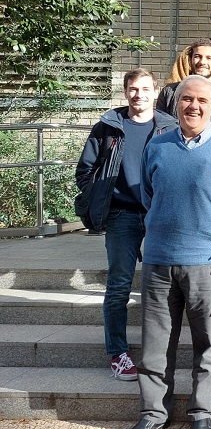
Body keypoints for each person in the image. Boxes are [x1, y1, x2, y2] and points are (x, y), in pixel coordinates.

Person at [118, 75, 211, 429]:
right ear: (176, 103)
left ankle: (202, 413)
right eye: (186, 99)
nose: (193, 106)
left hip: (208, 263)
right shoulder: (157, 146)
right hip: (159, 261)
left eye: (202, 101)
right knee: (155, 345)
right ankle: (153, 413)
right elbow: (148, 195)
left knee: (207, 345)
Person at [75, 68, 177, 381]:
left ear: (155, 92)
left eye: (145, 89)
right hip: (121, 215)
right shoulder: (108, 126)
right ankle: (118, 353)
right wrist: (101, 195)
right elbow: (84, 171)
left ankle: (158, 350)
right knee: (119, 285)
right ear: (125, 91)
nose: (139, 95)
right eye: (133, 89)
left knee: (163, 285)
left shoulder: (169, 127)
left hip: (158, 216)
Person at [156, 39, 211, 131]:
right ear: (190, 61)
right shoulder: (169, 92)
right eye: (197, 56)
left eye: (209, 58)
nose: (202, 62)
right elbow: (160, 127)